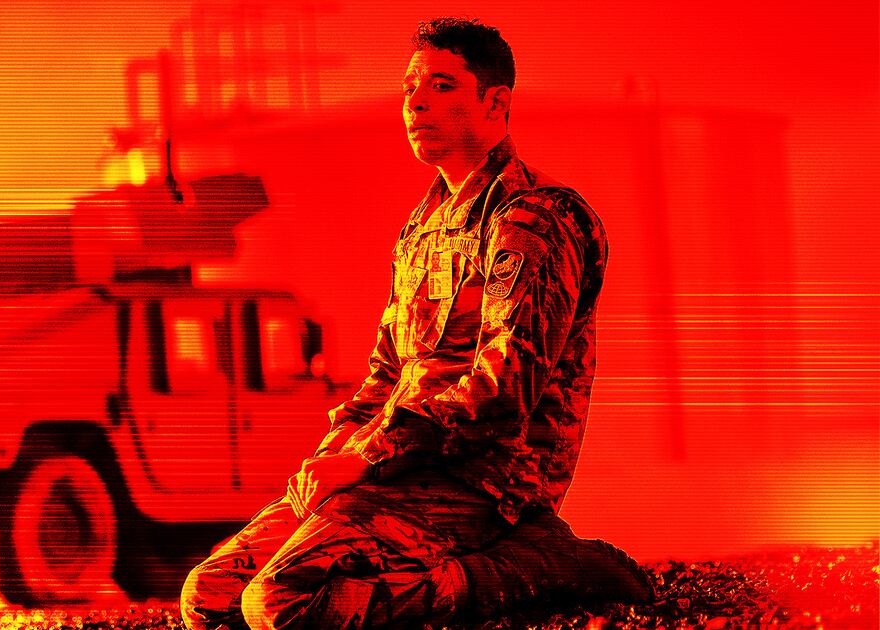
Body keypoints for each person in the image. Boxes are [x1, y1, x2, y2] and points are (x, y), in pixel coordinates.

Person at [181, 18, 654, 629]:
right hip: (397, 468)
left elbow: (504, 390)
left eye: (442, 85)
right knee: (208, 596)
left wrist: (368, 457)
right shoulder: (422, 229)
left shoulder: (533, 218)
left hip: (487, 479)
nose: (417, 102)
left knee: (279, 603)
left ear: (495, 103)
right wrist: (332, 458)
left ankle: (536, 564)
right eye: (410, 88)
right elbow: (386, 374)